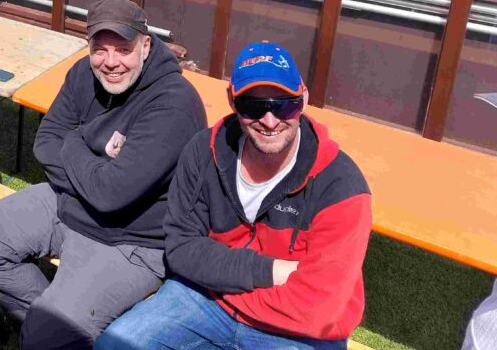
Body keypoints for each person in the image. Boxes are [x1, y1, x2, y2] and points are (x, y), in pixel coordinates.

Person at [0, 0, 206, 350]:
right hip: (71, 202)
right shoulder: (83, 73)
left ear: (146, 46)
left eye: (123, 49)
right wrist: (95, 167)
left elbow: (111, 194)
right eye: (100, 49)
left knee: (44, 336)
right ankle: (53, 325)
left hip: (130, 238)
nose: (111, 62)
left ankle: (53, 330)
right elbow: (45, 142)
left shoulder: (173, 104)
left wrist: (75, 140)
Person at [96, 42, 372, 350]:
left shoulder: (340, 185)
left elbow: (319, 309)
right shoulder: (203, 151)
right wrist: (273, 271)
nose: (270, 121)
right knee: (115, 344)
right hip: (205, 302)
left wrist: (215, 273)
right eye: (253, 106)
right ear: (231, 100)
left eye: (285, 105)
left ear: (304, 99)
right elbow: (181, 249)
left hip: (291, 327)